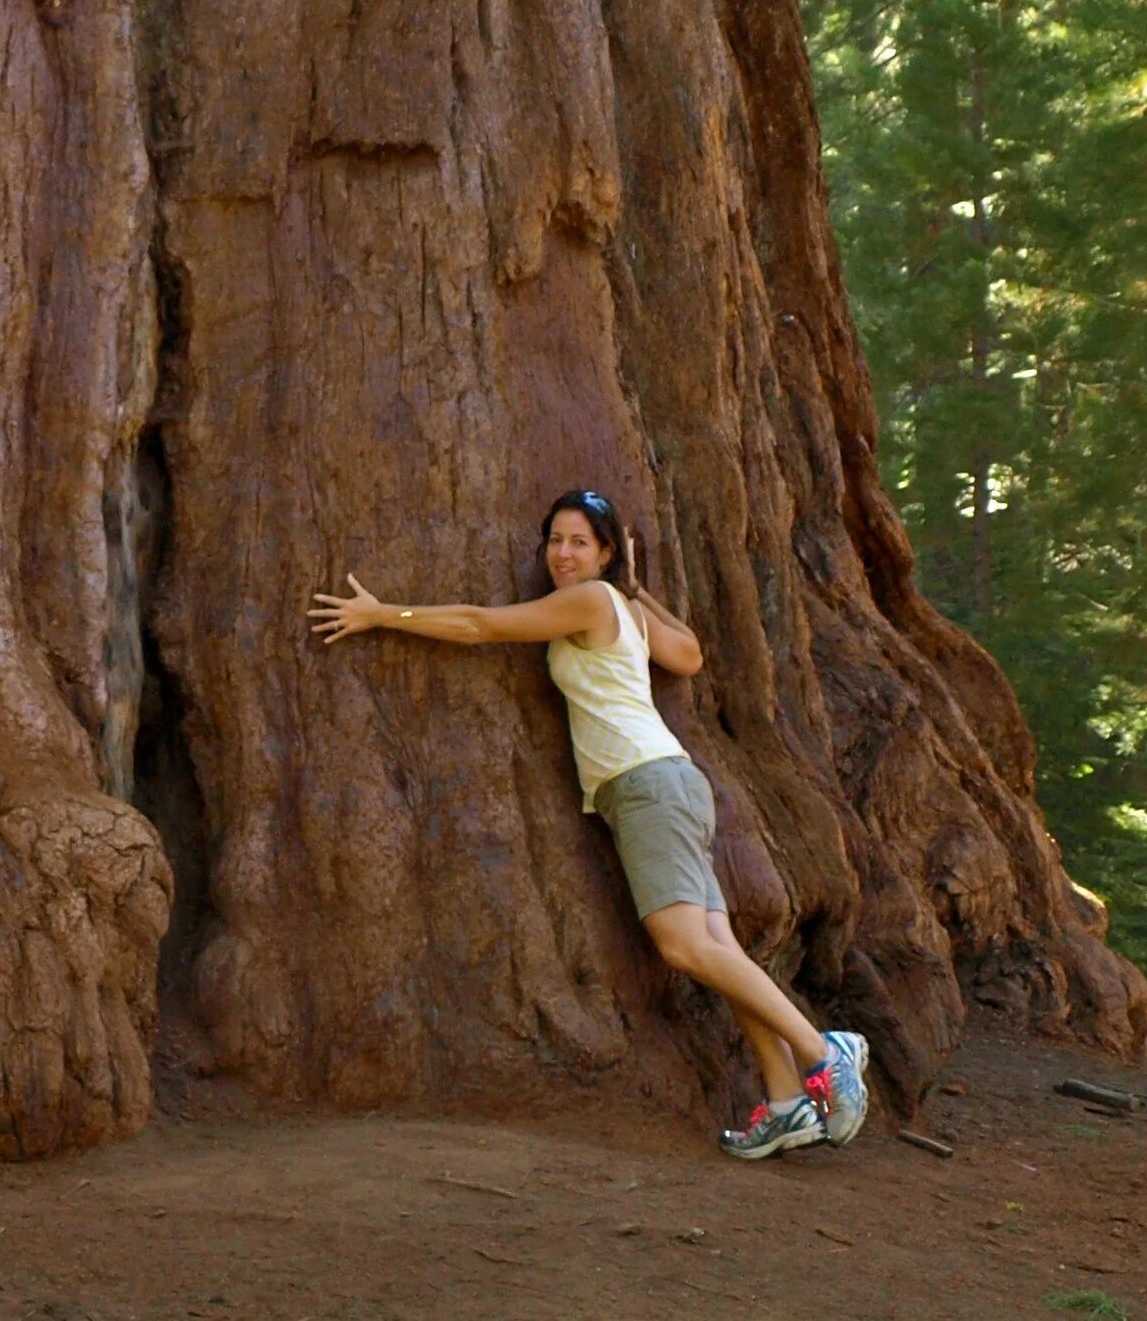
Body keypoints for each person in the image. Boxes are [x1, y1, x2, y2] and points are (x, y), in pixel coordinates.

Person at [305, 488, 870, 1160]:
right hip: (673, 781)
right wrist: (638, 585)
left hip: (646, 785)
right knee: (720, 953)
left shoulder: (593, 601)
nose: (563, 554)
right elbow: (687, 653)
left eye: (580, 541)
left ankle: (819, 1049)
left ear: (601, 551)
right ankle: (785, 1101)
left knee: (685, 948)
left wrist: (382, 614)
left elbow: (481, 624)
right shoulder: (623, 605)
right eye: (555, 541)